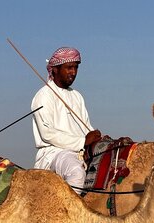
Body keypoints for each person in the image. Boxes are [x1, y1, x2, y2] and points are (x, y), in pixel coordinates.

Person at [31, 47, 101, 192]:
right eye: (69, 67)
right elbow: (47, 134)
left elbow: (86, 128)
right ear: (55, 69)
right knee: (76, 174)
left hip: (80, 152)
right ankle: (66, 214)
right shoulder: (44, 96)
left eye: (76, 68)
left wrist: (97, 137)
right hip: (54, 153)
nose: (73, 72)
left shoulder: (77, 96)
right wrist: (82, 141)